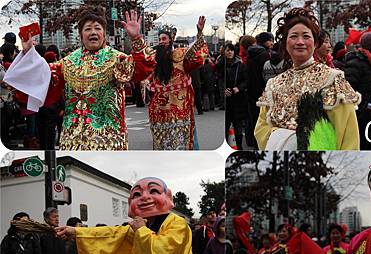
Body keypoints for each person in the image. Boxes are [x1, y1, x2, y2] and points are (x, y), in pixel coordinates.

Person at [6, 7, 155, 150]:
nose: (93, 32)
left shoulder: (116, 59)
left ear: (104, 33)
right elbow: (42, 78)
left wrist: (136, 38)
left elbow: (142, 69)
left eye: (97, 28)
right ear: (81, 34)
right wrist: (28, 53)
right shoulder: (68, 62)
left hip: (108, 139)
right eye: (88, 29)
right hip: (72, 140)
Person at [55, 177, 204, 254]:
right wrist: (76, 231)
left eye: (153, 191)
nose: (145, 197)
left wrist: (141, 230)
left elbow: (163, 252)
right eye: (137, 195)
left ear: (168, 196)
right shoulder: (143, 226)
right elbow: (112, 235)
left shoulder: (177, 223)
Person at [254, 8, 360, 151]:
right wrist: (283, 137)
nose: (299, 42)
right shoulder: (274, 84)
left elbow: (348, 135)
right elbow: (261, 128)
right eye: (293, 36)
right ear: (285, 42)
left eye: (306, 36)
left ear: (315, 43)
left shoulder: (332, 78)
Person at [144, 19, 208, 150]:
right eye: (160, 39)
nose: (162, 42)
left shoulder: (180, 55)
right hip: (159, 110)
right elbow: (145, 76)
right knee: (162, 142)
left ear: (170, 40)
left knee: (186, 139)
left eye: (164, 39)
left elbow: (197, 55)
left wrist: (200, 33)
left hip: (180, 108)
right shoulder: (154, 59)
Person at [345, 31, 371, 150]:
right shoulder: (356, 63)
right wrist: (363, 107)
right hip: (364, 117)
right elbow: (348, 89)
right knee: (365, 146)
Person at [217, 43, 247, 150]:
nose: (229, 52)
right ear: (224, 52)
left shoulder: (240, 65)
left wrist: (238, 88)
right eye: (227, 50)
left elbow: (246, 80)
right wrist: (223, 91)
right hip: (226, 99)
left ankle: (239, 147)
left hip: (238, 99)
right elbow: (218, 80)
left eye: (231, 50)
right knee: (225, 125)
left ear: (234, 52)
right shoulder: (220, 64)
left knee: (238, 124)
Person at [246, 32, 274, 148]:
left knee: (254, 119)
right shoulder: (265, 55)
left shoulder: (250, 54)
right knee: (264, 120)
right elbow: (265, 75)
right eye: (269, 40)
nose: (272, 43)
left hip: (251, 90)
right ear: (263, 41)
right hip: (262, 90)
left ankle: (253, 142)